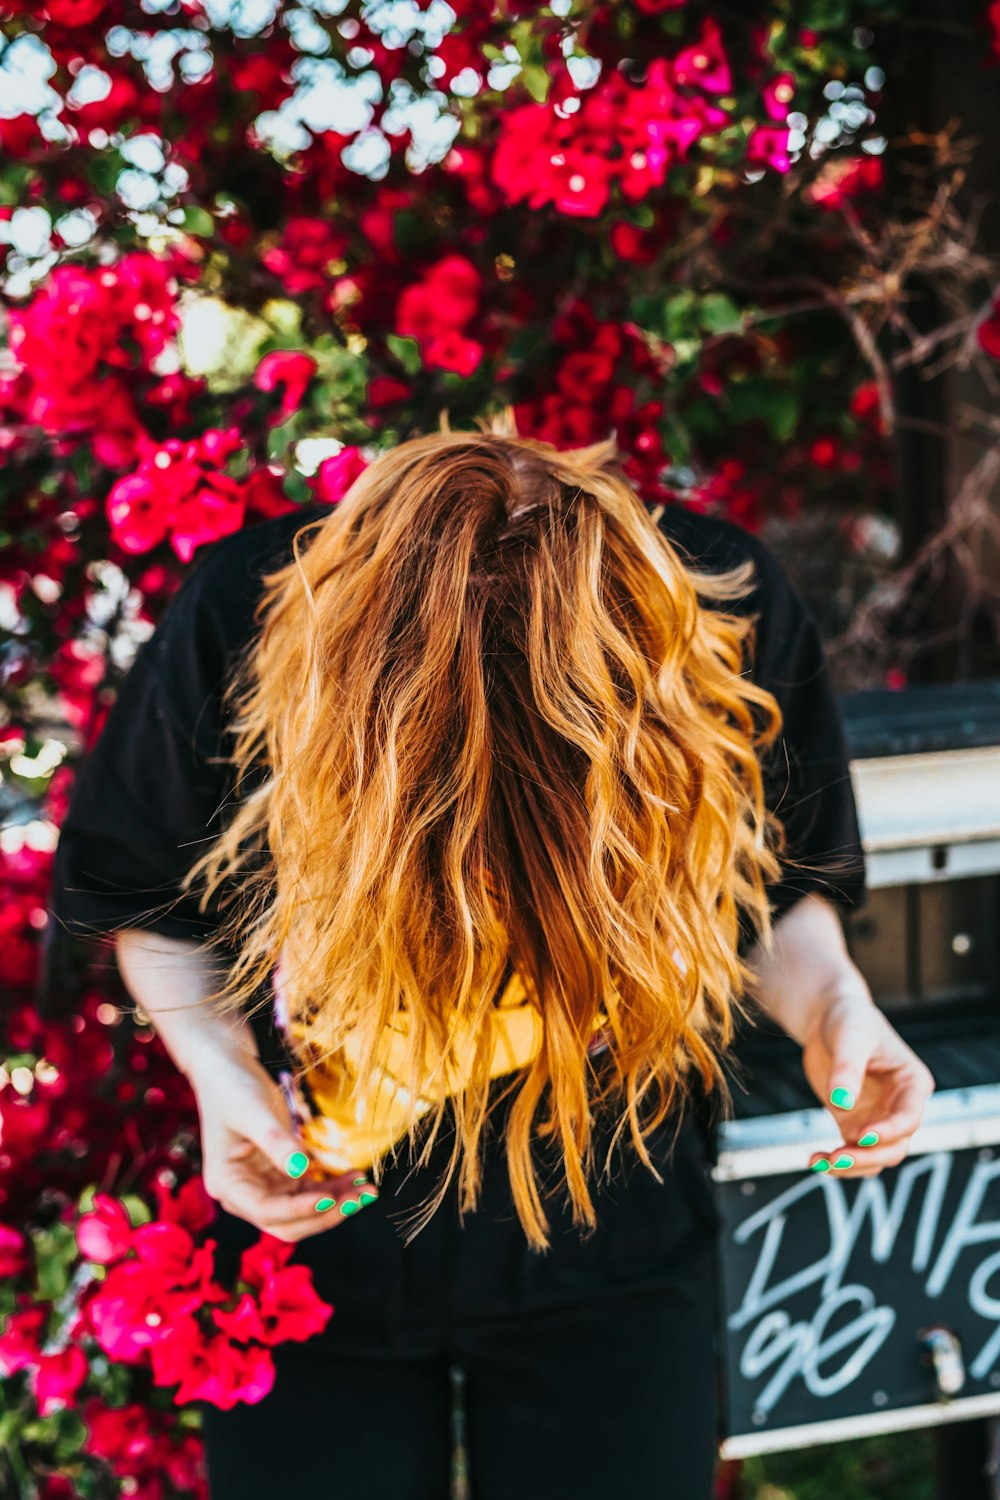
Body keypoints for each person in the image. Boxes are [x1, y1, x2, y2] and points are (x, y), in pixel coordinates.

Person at [49, 423, 934, 1500]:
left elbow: (772, 893)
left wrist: (835, 1009)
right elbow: (149, 897)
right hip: (315, 1214)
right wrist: (219, 1070)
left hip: (616, 1204)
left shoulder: (723, 604)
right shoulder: (243, 606)